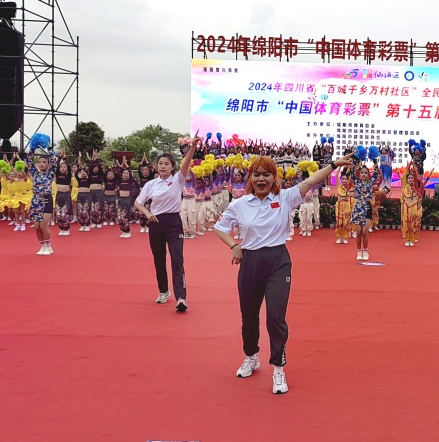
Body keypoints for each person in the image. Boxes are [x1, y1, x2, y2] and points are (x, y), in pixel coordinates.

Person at [213, 153, 353, 394]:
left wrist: (333, 165)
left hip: (278, 262)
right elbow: (220, 228)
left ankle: (278, 368)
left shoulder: (285, 198)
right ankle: (251, 356)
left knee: (275, 317)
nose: (261, 179)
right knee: (249, 316)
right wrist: (234, 246)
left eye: (266, 175)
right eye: (257, 175)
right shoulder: (239, 204)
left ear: (274, 177)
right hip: (250, 263)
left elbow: (311, 181)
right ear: (250, 178)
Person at [134, 139, 198, 311]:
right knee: (159, 259)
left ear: (172, 167)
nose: (162, 166)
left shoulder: (178, 179)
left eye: (166, 164)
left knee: (177, 259)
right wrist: (147, 213)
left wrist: (192, 147)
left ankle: (181, 298)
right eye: (160, 163)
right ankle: (163, 291)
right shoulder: (151, 184)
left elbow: (187, 162)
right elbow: (138, 202)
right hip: (156, 224)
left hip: (173, 223)